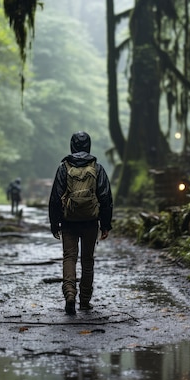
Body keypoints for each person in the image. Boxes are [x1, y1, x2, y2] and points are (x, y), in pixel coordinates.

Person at [48, 131, 113, 315]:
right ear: (88, 146)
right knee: (87, 261)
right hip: (90, 221)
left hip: (69, 221)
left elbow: (55, 198)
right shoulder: (97, 168)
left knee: (69, 257)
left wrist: (55, 224)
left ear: (72, 145)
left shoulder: (64, 167)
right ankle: (84, 301)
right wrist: (105, 224)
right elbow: (106, 197)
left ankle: (69, 294)